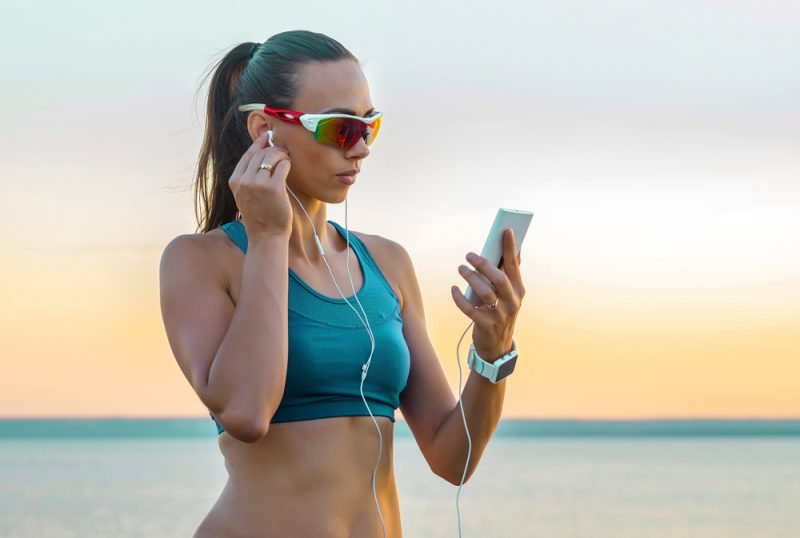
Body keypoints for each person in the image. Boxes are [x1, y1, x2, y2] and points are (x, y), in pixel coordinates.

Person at [158, 29, 526, 538]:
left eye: (368, 126)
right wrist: (267, 236)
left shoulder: (387, 263)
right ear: (264, 128)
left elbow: (453, 457)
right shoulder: (200, 261)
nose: (361, 149)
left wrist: (494, 348)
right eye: (339, 129)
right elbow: (245, 412)